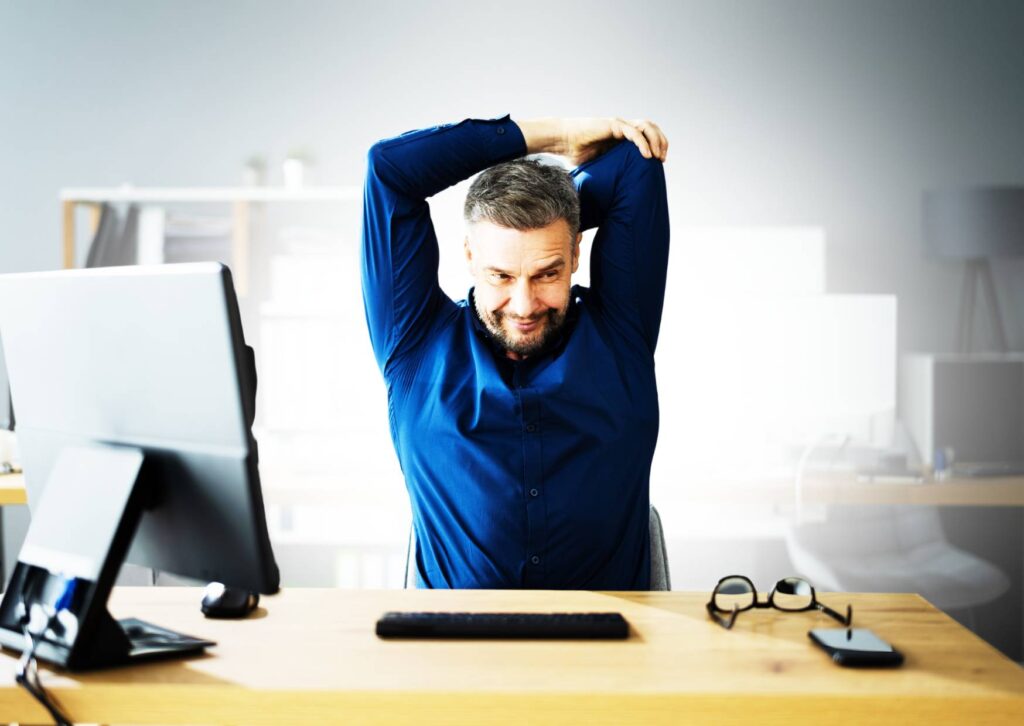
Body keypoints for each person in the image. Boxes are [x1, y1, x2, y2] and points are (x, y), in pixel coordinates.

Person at [362, 115, 670, 589]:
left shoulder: (619, 333)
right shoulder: (415, 342)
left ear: (575, 255)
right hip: (452, 654)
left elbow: (635, 165)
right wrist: (557, 138)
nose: (524, 307)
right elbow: (389, 168)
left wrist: (556, 210)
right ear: (469, 256)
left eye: (547, 273)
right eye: (501, 276)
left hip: (608, 655)